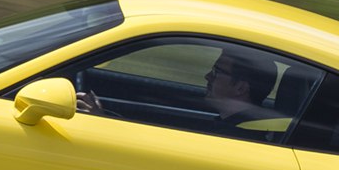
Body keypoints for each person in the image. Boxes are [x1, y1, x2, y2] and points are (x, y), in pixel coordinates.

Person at [77, 44, 281, 133]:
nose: (207, 76)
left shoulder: (231, 136)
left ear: (240, 88)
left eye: (217, 72)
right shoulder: (229, 126)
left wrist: (102, 122)